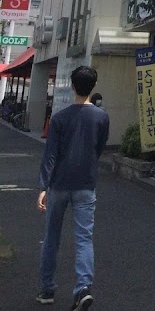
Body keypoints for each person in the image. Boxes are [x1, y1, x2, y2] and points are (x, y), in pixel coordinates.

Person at [36, 65, 109, 309]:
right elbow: (99, 149)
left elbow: (50, 155)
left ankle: (47, 290)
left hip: (58, 184)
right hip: (86, 184)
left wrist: (43, 186)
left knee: (51, 237)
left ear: (72, 86)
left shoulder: (59, 118)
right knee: (84, 238)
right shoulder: (101, 117)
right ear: (93, 86)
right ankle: (82, 289)